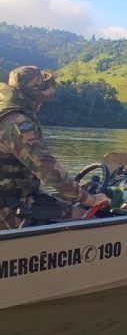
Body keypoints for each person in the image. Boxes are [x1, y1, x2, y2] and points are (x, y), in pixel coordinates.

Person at [0, 65, 110, 229]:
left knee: (66, 204)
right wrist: (90, 199)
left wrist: (75, 193)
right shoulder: (17, 123)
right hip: (9, 207)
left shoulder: (5, 114)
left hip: (15, 197)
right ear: (35, 98)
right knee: (90, 221)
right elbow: (48, 170)